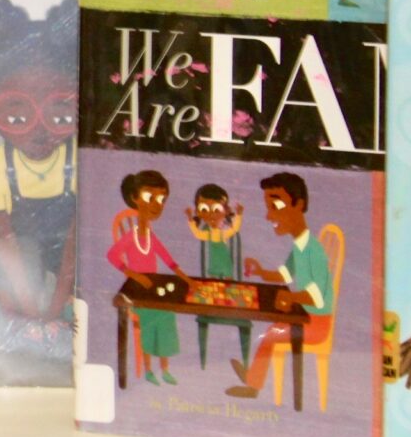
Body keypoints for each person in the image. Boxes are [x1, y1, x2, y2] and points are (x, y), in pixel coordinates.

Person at [0, 0, 79, 329]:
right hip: (21, 246)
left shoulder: (79, 163)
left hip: (65, 247)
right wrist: (32, 313)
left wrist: (57, 306)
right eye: (16, 116)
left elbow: (75, 241)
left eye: (60, 114)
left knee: (85, 293)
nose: (39, 130)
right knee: (13, 302)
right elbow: (5, 245)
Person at [231, 173, 336, 400]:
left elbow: (317, 296)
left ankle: (253, 386)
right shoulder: (299, 245)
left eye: (276, 206)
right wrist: (260, 271)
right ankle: (253, 377)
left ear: (299, 205)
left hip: (316, 322)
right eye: (268, 208)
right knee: (271, 328)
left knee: (271, 334)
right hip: (304, 315)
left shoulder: (314, 250)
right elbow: (284, 274)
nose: (269, 216)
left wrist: (291, 298)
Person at [107, 170, 182, 385]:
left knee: (167, 315)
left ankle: (164, 369)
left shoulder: (150, 235)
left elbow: (168, 259)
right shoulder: (131, 236)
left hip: (153, 289)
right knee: (151, 319)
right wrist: (135, 276)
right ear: (134, 198)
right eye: (150, 197)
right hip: (137, 292)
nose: (156, 204)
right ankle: (149, 369)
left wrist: (186, 278)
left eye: (161, 199)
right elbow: (112, 255)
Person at [185, 184, 250, 370]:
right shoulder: (206, 232)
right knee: (212, 282)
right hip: (213, 265)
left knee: (228, 282)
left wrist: (239, 215)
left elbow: (234, 229)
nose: (211, 216)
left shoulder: (224, 232)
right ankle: (214, 302)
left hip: (225, 263)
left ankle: (228, 302)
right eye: (204, 210)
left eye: (216, 210)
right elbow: (197, 233)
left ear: (225, 211)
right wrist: (190, 219)